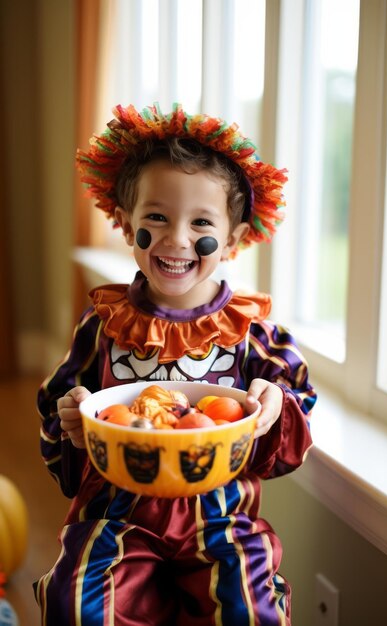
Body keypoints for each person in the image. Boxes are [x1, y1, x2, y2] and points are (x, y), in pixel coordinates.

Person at [35, 103, 317, 626]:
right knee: (76, 605)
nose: (176, 238)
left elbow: (294, 408)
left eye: (201, 223)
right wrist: (71, 423)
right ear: (126, 224)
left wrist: (277, 405)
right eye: (156, 217)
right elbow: (59, 403)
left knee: (248, 610)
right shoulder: (101, 327)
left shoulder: (254, 333)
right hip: (118, 512)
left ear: (232, 238)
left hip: (220, 515)